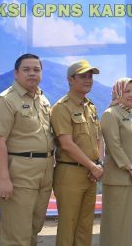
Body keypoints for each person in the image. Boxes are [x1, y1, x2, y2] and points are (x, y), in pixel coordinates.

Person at [0, 53, 54, 246]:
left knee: (34, 227)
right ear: (16, 73)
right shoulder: (5, 101)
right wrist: (4, 179)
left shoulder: (42, 99)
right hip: (19, 172)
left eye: (36, 69)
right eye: (26, 69)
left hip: (44, 171)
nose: (32, 73)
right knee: (17, 233)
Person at [50, 60, 104, 246]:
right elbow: (66, 144)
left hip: (91, 174)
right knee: (68, 226)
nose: (88, 80)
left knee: (85, 226)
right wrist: (93, 167)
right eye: (83, 76)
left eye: (90, 76)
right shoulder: (61, 107)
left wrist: (99, 164)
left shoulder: (91, 106)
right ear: (70, 79)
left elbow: (99, 138)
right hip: (70, 174)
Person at [100, 77, 132, 246]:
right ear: (118, 92)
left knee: (130, 225)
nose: (131, 95)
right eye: (127, 91)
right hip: (118, 179)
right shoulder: (110, 114)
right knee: (116, 224)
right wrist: (131, 168)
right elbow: (114, 146)